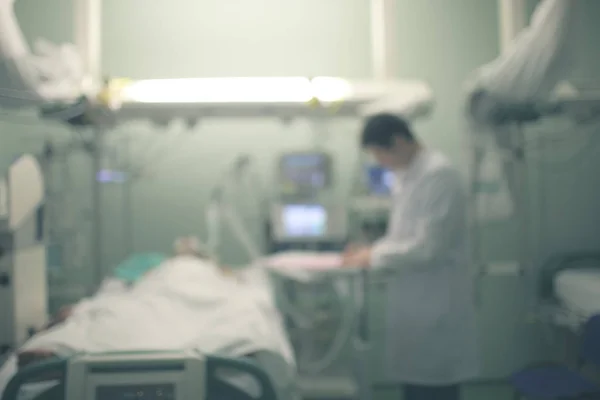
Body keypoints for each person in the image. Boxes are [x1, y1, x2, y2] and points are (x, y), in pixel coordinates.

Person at [343, 113, 479, 400]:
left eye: (380, 152)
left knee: (435, 387)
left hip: (436, 300)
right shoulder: (406, 176)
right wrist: (371, 250)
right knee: (415, 385)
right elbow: (402, 236)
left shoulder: (439, 175)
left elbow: (429, 247)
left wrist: (374, 255)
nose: (379, 161)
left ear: (399, 141)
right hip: (414, 300)